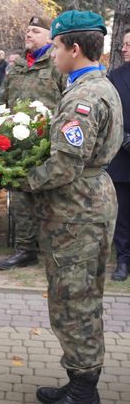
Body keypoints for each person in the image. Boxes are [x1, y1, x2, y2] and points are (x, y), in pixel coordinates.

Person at [28, 10, 122, 404]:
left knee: (74, 300)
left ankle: (84, 390)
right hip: (89, 201)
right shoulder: (100, 85)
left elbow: (65, 165)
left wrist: (23, 180)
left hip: (76, 211)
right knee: (82, 295)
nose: (52, 52)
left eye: (57, 45)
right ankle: (80, 379)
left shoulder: (82, 98)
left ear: (75, 48)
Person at [0, 16, 67, 271]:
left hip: (49, 145)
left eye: (35, 31)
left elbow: (66, 102)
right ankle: (25, 249)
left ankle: (54, 249)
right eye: (27, 30)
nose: (28, 34)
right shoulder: (16, 67)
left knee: (52, 197)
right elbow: (2, 101)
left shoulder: (57, 64)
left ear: (49, 37)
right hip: (18, 145)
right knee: (21, 197)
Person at [107, 29, 130, 282]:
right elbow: (111, 112)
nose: (123, 49)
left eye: (128, 45)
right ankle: (123, 260)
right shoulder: (115, 76)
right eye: (123, 44)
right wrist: (123, 137)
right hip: (122, 156)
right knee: (122, 213)